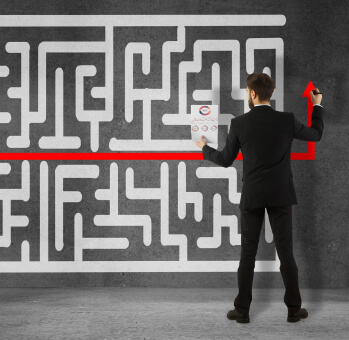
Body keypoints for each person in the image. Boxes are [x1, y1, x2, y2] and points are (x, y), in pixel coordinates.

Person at [195, 73, 324, 323]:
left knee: (248, 254)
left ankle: (242, 311)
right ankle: (294, 310)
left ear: (253, 94)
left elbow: (224, 160)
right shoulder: (287, 120)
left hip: (253, 195)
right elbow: (315, 134)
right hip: (281, 194)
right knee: (286, 252)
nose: (247, 95)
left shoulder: (239, 123)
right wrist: (316, 104)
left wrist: (204, 148)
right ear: (270, 93)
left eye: (246, 91)